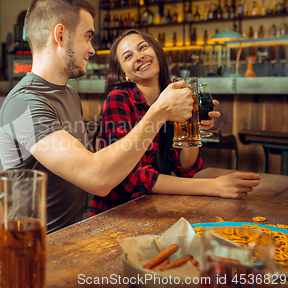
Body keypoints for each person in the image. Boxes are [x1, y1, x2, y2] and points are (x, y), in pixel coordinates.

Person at [0, 0, 201, 233]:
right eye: (88, 36)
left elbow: (93, 161)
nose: (92, 49)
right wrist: (158, 113)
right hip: (35, 248)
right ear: (60, 35)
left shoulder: (68, 94)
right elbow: (96, 179)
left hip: (73, 234)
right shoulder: (25, 103)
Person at [90, 29, 261, 216]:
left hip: (156, 206)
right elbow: (133, 176)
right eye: (128, 56)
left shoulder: (175, 95)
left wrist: (192, 127)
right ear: (124, 75)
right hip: (118, 214)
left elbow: (186, 168)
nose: (139, 57)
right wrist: (213, 186)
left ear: (156, 51)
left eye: (143, 47)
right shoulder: (119, 99)